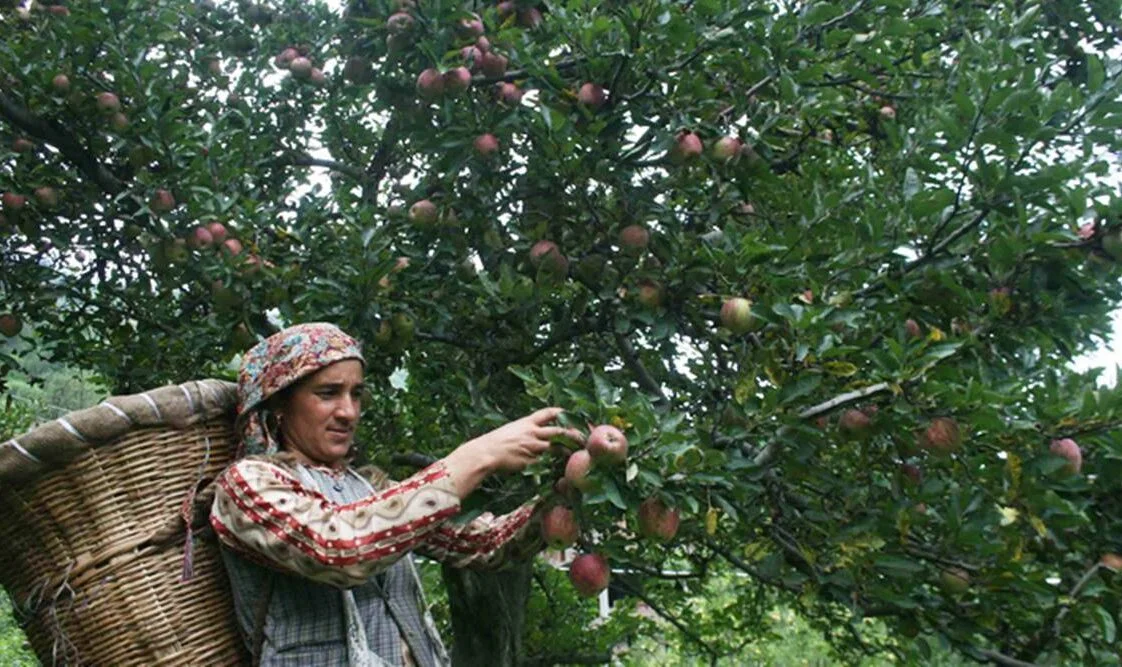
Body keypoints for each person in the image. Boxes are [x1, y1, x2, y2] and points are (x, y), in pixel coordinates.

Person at [209, 322, 582, 666]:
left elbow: (482, 543)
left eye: (356, 394)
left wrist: (564, 498)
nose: (348, 412)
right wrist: (477, 457)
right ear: (279, 404)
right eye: (328, 393)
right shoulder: (247, 484)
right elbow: (340, 549)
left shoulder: (370, 488)